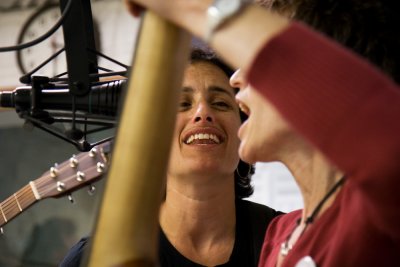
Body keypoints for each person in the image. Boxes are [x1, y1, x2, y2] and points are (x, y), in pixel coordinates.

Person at [125, 0, 400, 266]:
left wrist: (197, 7)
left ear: (324, 79)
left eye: (260, 60)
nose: (236, 79)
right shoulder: (278, 236)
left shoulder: (373, 211)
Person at [60, 48, 282, 267]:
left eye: (221, 103)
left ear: (244, 132)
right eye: (182, 104)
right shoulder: (96, 259)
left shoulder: (289, 240)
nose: (203, 112)